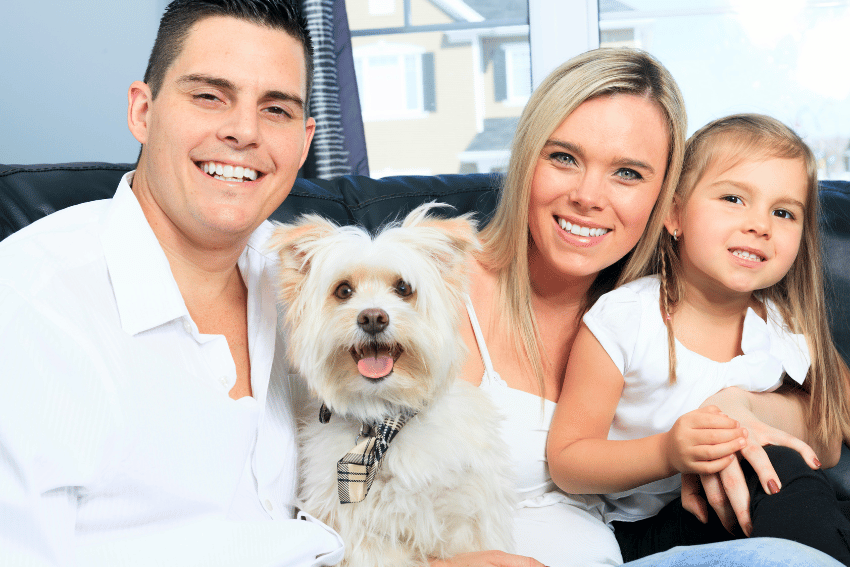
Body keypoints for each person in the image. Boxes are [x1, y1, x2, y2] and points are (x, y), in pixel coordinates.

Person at [435, 50, 843, 567]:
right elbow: (341, 493)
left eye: (627, 173)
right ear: (525, 156)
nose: (588, 196)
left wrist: (738, 407)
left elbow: (831, 415)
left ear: (664, 199)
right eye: (564, 157)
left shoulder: (703, 287)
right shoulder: (420, 284)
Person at [0, 1, 344, 565]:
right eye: (210, 96)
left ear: (305, 142)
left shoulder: (316, 285)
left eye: (276, 109)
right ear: (142, 110)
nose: (243, 132)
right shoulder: (29, 311)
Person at [546, 114, 850, 564]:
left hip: (768, 510)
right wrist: (668, 452)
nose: (760, 225)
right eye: (733, 198)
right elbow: (568, 462)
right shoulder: (626, 318)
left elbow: (831, 428)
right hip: (649, 527)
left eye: (783, 212)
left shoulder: (783, 325)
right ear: (674, 214)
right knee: (771, 467)